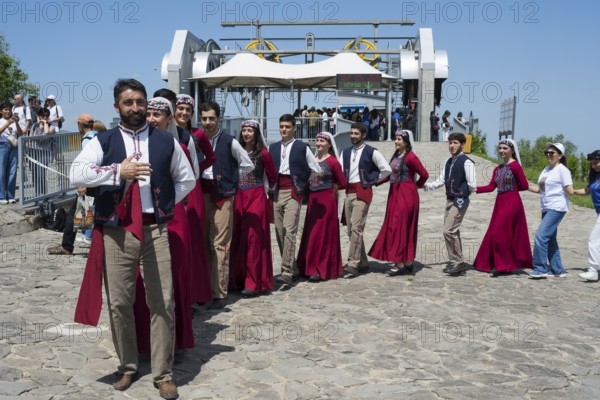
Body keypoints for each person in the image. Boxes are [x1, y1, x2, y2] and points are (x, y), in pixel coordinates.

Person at [71, 78, 195, 399]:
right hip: (117, 229)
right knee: (120, 303)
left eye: (140, 102)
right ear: (117, 107)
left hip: (155, 228)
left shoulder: (167, 141)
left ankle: (163, 373)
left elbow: (187, 180)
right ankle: (127, 366)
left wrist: (165, 205)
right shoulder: (102, 140)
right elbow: (76, 174)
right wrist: (116, 173)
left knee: (162, 302)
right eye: (129, 103)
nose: (136, 108)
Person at [133, 96, 195, 355]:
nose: (151, 119)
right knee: (139, 279)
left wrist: (166, 202)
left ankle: (173, 342)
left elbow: (191, 177)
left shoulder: (180, 142)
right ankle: (143, 341)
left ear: (168, 118)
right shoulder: (135, 142)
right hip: (142, 217)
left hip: (172, 216)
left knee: (171, 279)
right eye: (148, 114)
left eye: (157, 115)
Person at [200, 101, 253, 308]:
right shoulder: (197, 139)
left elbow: (248, 164)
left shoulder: (229, 141)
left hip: (222, 195)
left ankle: (219, 293)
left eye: (211, 118)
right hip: (201, 193)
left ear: (218, 119)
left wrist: (231, 179)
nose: (207, 122)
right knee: (203, 244)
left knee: (220, 245)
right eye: (204, 118)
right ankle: (203, 289)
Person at [268, 113, 321, 287]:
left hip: (293, 191)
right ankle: (294, 267)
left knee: (289, 230)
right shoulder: (272, 147)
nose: (284, 129)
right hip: (276, 192)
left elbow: (316, 169)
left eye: (288, 127)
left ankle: (286, 271)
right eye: (282, 126)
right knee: (279, 231)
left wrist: (303, 185)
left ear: (294, 128)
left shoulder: (302, 147)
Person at [369, 130, 429, 275]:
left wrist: (416, 186)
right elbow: (390, 174)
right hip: (394, 195)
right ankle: (407, 261)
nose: (396, 141)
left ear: (406, 142)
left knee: (399, 227)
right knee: (396, 226)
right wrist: (375, 182)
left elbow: (424, 174)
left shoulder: (411, 157)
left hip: (406, 195)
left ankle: (400, 262)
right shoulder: (396, 156)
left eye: (399, 139)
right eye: (395, 139)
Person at [175, 94, 215, 305]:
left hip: (192, 190)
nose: (183, 113)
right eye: (180, 108)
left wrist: (194, 170)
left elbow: (211, 157)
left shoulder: (197, 134)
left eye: (187, 110)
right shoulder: (165, 131)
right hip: (172, 187)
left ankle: (195, 293)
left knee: (193, 240)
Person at [229, 120, 277, 296]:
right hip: (239, 197)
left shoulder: (263, 154)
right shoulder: (236, 152)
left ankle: (254, 281)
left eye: (249, 131)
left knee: (253, 238)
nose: (246, 134)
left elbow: (273, 177)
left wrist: (268, 199)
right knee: (238, 238)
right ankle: (237, 278)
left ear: (256, 133)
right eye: (244, 131)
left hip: (256, 196)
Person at [473, 139, 532, 276]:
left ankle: (504, 265)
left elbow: (524, 185)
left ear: (512, 150)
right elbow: (491, 187)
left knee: (499, 232)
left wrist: (512, 189)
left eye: (505, 148)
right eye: (500, 148)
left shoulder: (516, 166)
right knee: (494, 232)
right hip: (500, 202)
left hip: (512, 202)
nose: (502, 151)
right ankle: (494, 263)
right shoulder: (497, 169)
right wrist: (474, 188)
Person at [340, 122, 391, 278]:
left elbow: (387, 170)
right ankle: (362, 263)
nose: (353, 136)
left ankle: (353, 263)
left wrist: (372, 181)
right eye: (351, 133)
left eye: (356, 133)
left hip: (362, 192)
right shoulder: (345, 152)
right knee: (350, 230)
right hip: (349, 192)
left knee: (356, 228)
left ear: (363, 135)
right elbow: (341, 171)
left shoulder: (371, 152)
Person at [424, 132, 476, 276]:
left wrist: (464, 195)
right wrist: (426, 186)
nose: (452, 146)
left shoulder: (466, 162)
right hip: (449, 200)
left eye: (455, 143)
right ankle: (457, 262)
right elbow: (441, 181)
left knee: (448, 230)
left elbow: (472, 184)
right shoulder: (449, 162)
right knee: (453, 231)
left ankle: (458, 262)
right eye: (450, 143)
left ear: (462, 144)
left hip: (459, 200)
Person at [297, 131, 347, 282]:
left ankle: (320, 268)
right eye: (317, 141)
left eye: (322, 141)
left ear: (329, 145)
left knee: (322, 233)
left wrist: (330, 187)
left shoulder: (333, 162)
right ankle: (307, 266)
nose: (319, 144)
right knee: (311, 232)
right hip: (313, 200)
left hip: (327, 199)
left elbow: (343, 182)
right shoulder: (311, 160)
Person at [47, 114, 97, 254]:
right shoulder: (98, 136)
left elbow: (89, 163)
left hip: (88, 182)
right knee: (85, 212)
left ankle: (67, 246)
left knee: (77, 212)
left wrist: (83, 185)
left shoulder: (87, 140)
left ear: (80, 125)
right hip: (97, 180)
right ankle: (88, 241)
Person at [527, 143, 574, 279]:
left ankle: (540, 268)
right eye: (547, 152)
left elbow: (569, 190)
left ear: (560, 155)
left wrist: (585, 191)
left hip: (557, 207)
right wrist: (524, 184)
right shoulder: (546, 170)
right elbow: (540, 190)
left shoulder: (563, 170)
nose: (549, 155)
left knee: (541, 236)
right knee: (551, 239)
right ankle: (558, 270)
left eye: (552, 153)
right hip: (546, 207)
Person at [575, 150, 600, 281]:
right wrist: (571, 191)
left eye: (596, 163)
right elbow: (587, 191)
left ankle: (593, 271)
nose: (594, 166)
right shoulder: (596, 177)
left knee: (594, 240)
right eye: (592, 164)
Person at [28, 108, 56, 197]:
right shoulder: (34, 126)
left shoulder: (52, 127)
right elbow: (30, 138)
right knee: (34, 173)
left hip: (44, 152)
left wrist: (45, 124)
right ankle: (37, 193)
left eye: (47, 116)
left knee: (41, 173)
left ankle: (43, 194)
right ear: (39, 116)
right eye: (43, 115)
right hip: (33, 151)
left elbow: (47, 133)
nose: (45, 117)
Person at [0, 102, 23, 204]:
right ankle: (2, 196)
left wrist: (16, 122)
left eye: (9, 110)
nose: (8, 111)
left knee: (12, 171)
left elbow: (20, 133)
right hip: (2, 146)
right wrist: (8, 123)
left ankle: (11, 195)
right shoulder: (1, 121)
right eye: (5, 109)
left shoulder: (14, 121)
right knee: (2, 171)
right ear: (1, 111)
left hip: (13, 146)